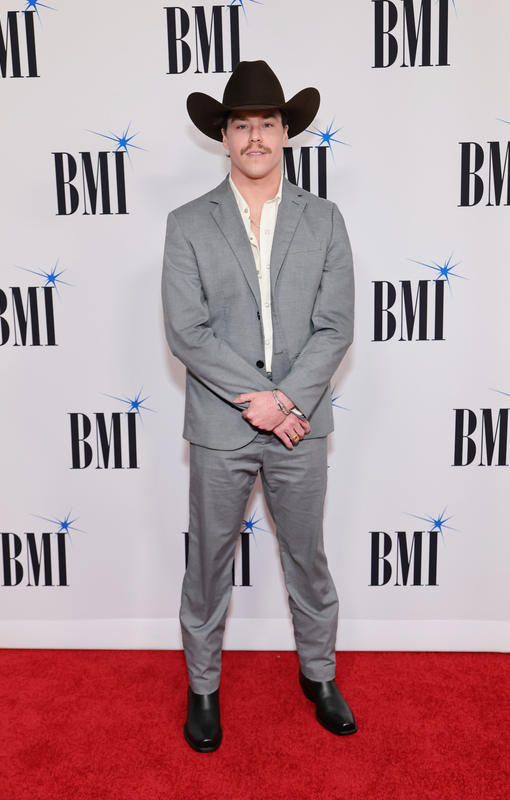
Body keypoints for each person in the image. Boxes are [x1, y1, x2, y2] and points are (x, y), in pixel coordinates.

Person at [162, 60, 356, 752]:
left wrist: (288, 401)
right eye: (241, 124)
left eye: (266, 124)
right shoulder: (187, 223)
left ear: (284, 133)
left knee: (307, 557)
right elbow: (187, 330)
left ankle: (320, 674)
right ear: (224, 135)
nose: (254, 136)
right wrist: (260, 401)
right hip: (220, 425)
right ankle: (204, 685)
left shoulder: (325, 219)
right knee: (209, 561)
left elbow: (335, 325)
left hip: (301, 424)